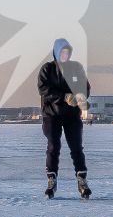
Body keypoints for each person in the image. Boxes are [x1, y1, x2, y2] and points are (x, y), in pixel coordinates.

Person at [36, 38, 92, 199]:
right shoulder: (47, 69)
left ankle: (82, 180)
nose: (65, 55)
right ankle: (51, 180)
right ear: (56, 52)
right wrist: (65, 97)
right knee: (53, 146)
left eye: (67, 52)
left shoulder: (76, 67)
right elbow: (44, 89)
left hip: (72, 115)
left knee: (76, 148)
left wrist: (81, 96)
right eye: (62, 52)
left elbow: (85, 86)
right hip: (51, 115)